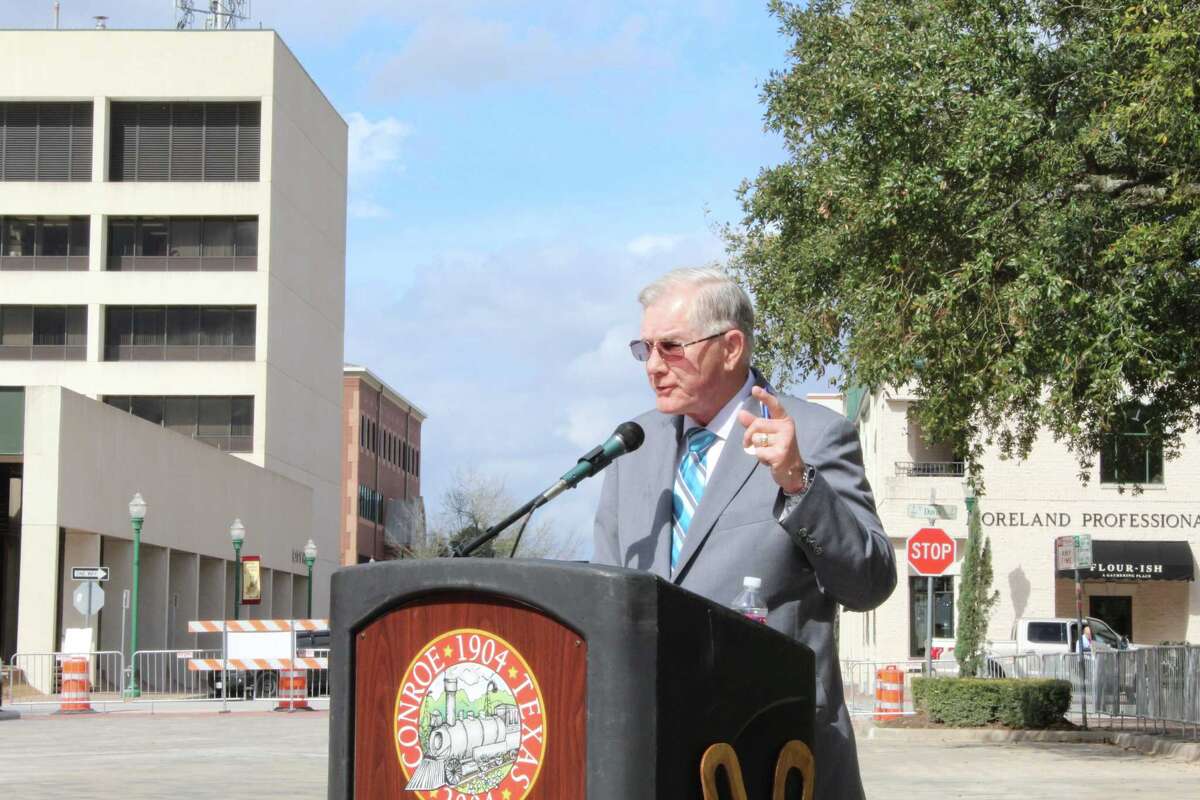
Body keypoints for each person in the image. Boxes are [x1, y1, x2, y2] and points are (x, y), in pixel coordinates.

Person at [592, 267, 896, 800]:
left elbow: (869, 582)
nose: (654, 366)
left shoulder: (814, 435)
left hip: (775, 757)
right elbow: (605, 607)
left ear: (731, 347)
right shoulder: (630, 448)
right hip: (653, 757)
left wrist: (799, 483)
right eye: (645, 349)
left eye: (671, 347)